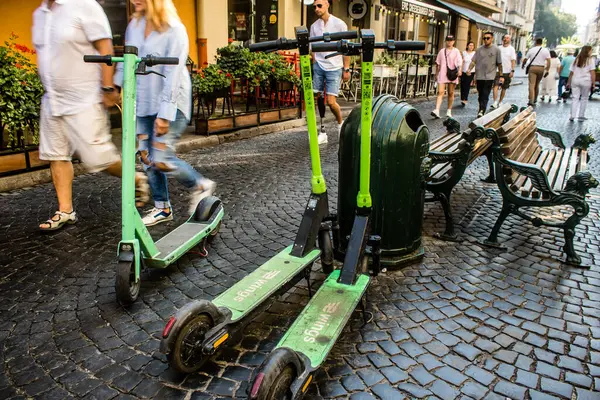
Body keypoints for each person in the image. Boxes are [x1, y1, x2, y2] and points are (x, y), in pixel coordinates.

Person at [33, 0, 150, 231]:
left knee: (98, 158)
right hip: (53, 98)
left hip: (84, 97)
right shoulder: (40, 13)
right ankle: (65, 211)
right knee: (56, 154)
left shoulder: (83, 5)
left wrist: (108, 88)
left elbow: (105, 48)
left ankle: (137, 179)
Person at [114, 0, 216, 226]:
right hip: (142, 101)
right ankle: (162, 207)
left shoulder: (175, 29)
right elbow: (126, 59)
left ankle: (200, 185)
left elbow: (173, 73)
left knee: (160, 159)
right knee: (147, 158)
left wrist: (164, 114)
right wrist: (115, 87)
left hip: (171, 103)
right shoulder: (135, 26)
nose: (133, 1)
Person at [310, 0, 350, 145]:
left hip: (334, 67)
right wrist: (315, 61)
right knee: (318, 98)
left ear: (327, 4)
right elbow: (312, 47)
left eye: (319, 6)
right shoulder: (314, 26)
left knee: (331, 102)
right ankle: (322, 131)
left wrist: (346, 69)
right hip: (319, 65)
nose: (316, 9)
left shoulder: (340, 24)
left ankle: (340, 125)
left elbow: (346, 48)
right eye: (314, 6)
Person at [465, 32, 503, 118]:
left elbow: (500, 64)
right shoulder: (479, 49)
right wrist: (469, 69)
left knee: (485, 93)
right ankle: (481, 107)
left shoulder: (496, 50)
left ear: (492, 38)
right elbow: (474, 61)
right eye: (484, 38)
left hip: (490, 76)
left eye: (488, 38)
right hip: (479, 75)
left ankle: (482, 110)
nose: (486, 40)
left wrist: (501, 76)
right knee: (480, 94)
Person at [431, 35, 462, 118]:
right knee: (440, 92)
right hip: (442, 73)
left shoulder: (456, 51)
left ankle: (449, 110)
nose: (449, 42)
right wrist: (436, 74)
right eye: (448, 40)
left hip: (452, 74)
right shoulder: (442, 51)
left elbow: (459, 62)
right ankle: (437, 110)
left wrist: (459, 70)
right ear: (446, 41)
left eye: (451, 40)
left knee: (450, 93)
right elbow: (438, 64)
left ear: (454, 41)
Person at [567, 45, 596, 122]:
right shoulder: (590, 60)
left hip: (575, 80)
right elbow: (592, 72)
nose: (591, 52)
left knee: (575, 98)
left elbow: (571, 72)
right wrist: (593, 83)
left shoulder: (576, 59)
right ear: (588, 51)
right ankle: (581, 115)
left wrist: (568, 82)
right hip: (586, 81)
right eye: (591, 50)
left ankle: (572, 115)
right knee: (584, 98)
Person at [521, 38, 551, 106]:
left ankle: (531, 100)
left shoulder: (532, 50)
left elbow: (525, 59)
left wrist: (523, 65)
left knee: (531, 84)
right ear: (542, 43)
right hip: (541, 68)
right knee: (537, 84)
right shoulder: (545, 50)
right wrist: (547, 69)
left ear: (535, 42)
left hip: (533, 67)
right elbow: (549, 61)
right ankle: (535, 99)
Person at [491, 34, 516, 109]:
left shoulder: (511, 49)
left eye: (507, 38)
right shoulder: (499, 48)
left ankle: (500, 101)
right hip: (498, 70)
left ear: (509, 40)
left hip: (507, 71)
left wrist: (512, 70)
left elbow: (513, 60)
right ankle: (495, 102)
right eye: (505, 38)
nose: (506, 39)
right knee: (495, 85)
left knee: (504, 87)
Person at [459, 41, 476, 107]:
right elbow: (461, 62)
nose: (471, 47)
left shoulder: (475, 53)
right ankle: (462, 98)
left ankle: (465, 99)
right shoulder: (464, 53)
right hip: (463, 71)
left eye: (472, 45)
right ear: (467, 46)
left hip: (471, 72)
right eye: (470, 45)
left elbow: (476, 63)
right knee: (462, 85)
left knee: (467, 85)